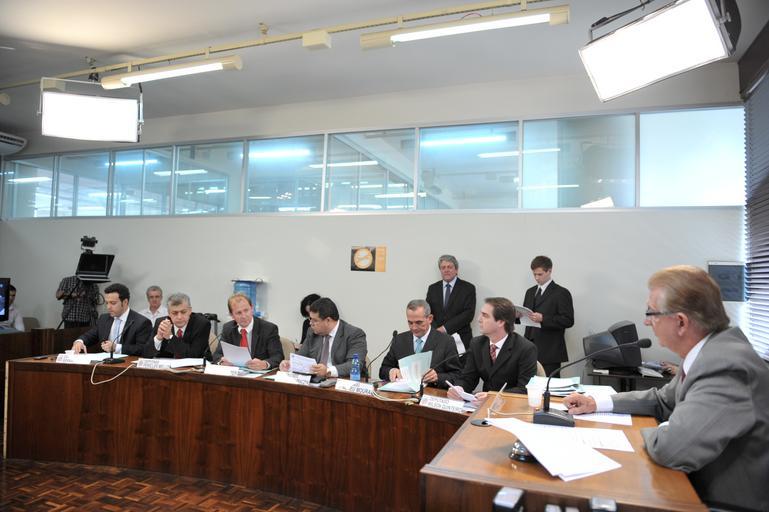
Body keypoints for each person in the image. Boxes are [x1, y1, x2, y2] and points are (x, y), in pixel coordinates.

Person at [564, 265, 769, 511]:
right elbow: (663, 400)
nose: (646, 321)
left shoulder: (726, 365)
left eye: (651, 313)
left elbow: (671, 449)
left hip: (721, 503)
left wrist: (664, 429)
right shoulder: (709, 351)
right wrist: (596, 403)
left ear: (681, 322)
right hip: (694, 487)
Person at [448, 297, 537, 403]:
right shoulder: (477, 344)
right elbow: (468, 378)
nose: (479, 319)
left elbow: (524, 389)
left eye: (485, 315)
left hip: (511, 406)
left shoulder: (526, 348)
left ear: (501, 322)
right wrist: (459, 388)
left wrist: (493, 397)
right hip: (482, 405)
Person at [379, 299, 461, 389]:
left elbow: (457, 375)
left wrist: (438, 377)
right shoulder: (399, 340)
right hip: (403, 393)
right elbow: (383, 369)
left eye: (419, 322)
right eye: (410, 323)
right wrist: (391, 371)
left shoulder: (446, 341)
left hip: (432, 393)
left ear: (430, 318)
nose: (414, 327)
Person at [279, 297, 367, 380]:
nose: (310, 323)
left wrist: (328, 371)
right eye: (310, 319)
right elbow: (301, 357)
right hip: (315, 382)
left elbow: (354, 365)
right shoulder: (312, 332)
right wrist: (291, 364)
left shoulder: (354, 334)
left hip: (343, 382)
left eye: (315, 320)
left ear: (328, 320)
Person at [521, 255, 573, 377]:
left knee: (550, 385)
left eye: (540, 274)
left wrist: (543, 319)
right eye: (534, 274)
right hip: (529, 348)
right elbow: (527, 316)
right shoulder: (530, 292)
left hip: (550, 351)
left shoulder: (561, 293)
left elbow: (568, 320)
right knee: (529, 384)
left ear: (549, 271)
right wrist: (518, 315)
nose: (536, 278)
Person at [71, 283, 152, 355]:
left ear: (125, 302)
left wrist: (116, 348)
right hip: (104, 363)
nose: (108, 307)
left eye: (113, 303)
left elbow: (143, 349)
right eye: (107, 303)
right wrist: (79, 342)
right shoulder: (104, 318)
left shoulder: (142, 322)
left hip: (128, 364)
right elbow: (90, 336)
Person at [214, 293, 283, 370]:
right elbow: (217, 355)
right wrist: (221, 362)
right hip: (235, 373)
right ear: (232, 315)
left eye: (246, 310)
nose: (244, 316)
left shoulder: (269, 329)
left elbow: (278, 357)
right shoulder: (228, 328)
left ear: (252, 309)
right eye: (239, 313)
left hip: (259, 375)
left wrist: (265, 364)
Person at [426, 255, 476, 353]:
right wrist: (436, 330)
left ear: (456, 270)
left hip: (461, 339)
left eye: (449, 267)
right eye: (443, 267)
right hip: (437, 338)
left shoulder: (468, 288)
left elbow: (468, 314)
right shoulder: (432, 288)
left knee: (462, 363)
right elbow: (427, 312)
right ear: (440, 270)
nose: (446, 270)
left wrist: (445, 328)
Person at [147, 293, 211, 358]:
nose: (179, 317)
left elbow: (193, 355)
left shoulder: (202, 324)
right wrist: (158, 339)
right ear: (169, 313)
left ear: (190, 311)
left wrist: (170, 337)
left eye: (183, 312)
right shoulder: (161, 323)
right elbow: (146, 354)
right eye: (174, 313)